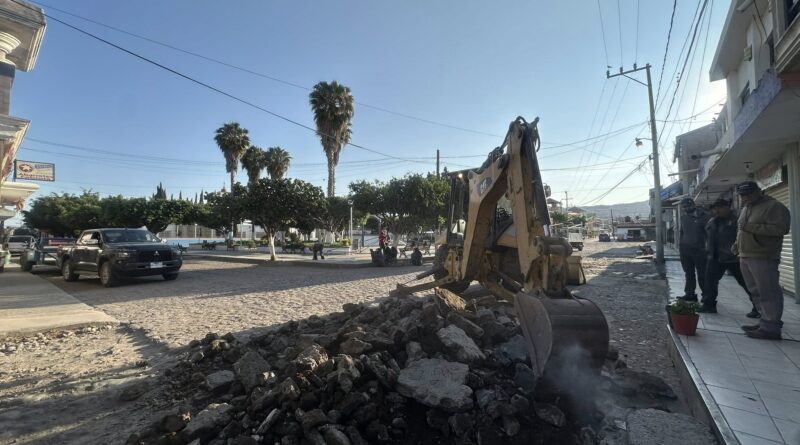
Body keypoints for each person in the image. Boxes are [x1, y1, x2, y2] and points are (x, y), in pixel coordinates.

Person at [735, 181, 791, 340]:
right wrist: (737, 244)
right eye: (743, 195)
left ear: (759, 191)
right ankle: (764, 321)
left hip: (763, 255)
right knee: (755, 291)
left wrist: (751, 228)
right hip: (745, 254)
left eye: (749, 194)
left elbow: (781, 228)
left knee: (768, 291)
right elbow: (741, 229)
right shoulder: (746, 208)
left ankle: (771, 326)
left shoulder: (774, 206)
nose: (746, 198)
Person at [701, 198, 758, 317]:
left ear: (727, 207)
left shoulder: (736, 220)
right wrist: (708, 251)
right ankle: (709, 304)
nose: (717, 210)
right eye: (716, 208)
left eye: (720, 207)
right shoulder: (712, 221)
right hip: (715, 257)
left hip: (733, 257)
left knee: (746, 283)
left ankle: (758, 307)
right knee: (710, 282)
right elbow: (708, 237)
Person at [677, 197, 710, 302]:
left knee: (702, 274)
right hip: (685, 249)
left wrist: (707, 248)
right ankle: (690, 294)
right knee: (688, 273)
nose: (686, 208)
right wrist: (681, 246)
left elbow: (709, 234)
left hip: (699, 250)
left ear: (693, 205)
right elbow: (682, 233)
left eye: (688, 206)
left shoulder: (704, 216)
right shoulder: (683, 217)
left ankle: (706, 295)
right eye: (684, 207)